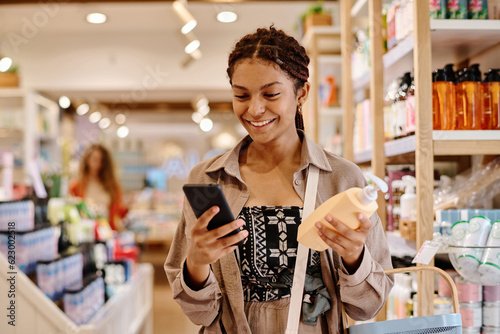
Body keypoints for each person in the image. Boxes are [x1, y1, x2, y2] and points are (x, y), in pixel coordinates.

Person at [165, 26, 393, 333]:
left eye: (271, 94)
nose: (255, 109)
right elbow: (198, 313)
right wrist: (196, 263)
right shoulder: (208, 179)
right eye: (241, 95)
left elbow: (368, 306)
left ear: (302, 93)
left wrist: (354, 257)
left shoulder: (342, 178)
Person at [69, 143, 128, 232]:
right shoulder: (76, 186)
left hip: (107, 232)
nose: (97, 164)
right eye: (95, 159)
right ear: (87, 159)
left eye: (101, 161)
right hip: (85, 233)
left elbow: (118, 213)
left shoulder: (113, 186)